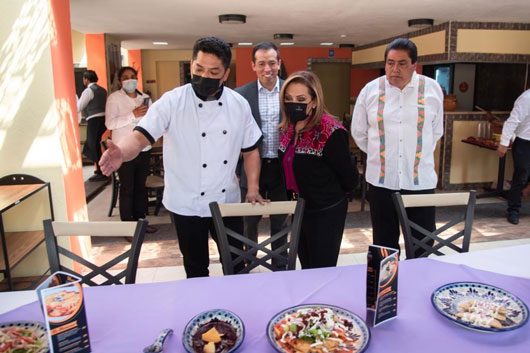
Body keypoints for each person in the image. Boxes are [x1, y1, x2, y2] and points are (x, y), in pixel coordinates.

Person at [99, 37, 264, 278]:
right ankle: (201, 313)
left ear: (225, 73)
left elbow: (250, 150)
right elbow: (140, 137)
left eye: (213, 71)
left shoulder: (238, 104)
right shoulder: (172, 101)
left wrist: (253, 187)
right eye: (199, 69)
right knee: (195, 268)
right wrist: (121, 153)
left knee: (236, 265)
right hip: (186, 201)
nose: (204, 76)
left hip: (226, 200)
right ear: (191, 65)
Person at [351, 38, 444, 257]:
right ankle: (387, 291)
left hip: (420, 182)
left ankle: (418, 288)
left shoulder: (431, 89)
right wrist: (382, 156)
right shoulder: (370, 91)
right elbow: (360, 133)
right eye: (390, 63)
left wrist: (416, 156)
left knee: (422, 245)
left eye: (402, 63)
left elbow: (435, 132)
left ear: (414, 65)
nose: (395, 69)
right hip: (382, 183)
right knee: (385, 247)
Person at [278, 71, 357, 269]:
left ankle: (324, 301)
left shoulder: (331, 132)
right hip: (300, 209)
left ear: (314, 100)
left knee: (322, 268)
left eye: (301, 99)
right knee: (306, 265)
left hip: (326, 211)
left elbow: (350, 178)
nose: (293, 103)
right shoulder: (287, 128)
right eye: (288, 99)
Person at [235, 42, 288, 267]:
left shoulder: (290, 90)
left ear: (279, 64)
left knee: (281, 219)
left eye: (272, 63)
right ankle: (249, 261)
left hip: (282, 167)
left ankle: (279, 264)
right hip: (250, 166)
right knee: (249, 220)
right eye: (262, 64)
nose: (268, 69)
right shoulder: (240, 95)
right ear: (253, 66)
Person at [105, 66, 157, 234]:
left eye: (133, 76)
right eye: (126, 77)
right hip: (123, 149)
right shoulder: (114, 98)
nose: (130, 80)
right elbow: (110, 124)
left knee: (141, 186)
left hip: (143, 147)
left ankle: (141, 222)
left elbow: (154, 120)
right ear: (120, 81)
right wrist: (132, 115)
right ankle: (128, 228)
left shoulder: (145, 97)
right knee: (128, 187)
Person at [497, 88, 530, 225]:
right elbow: (512, 121)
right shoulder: (526, 97)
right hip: (525, 142)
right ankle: (513, 210)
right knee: (521, 177)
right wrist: (504, 143)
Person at [77, 70, 108, 181]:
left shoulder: (88, 91)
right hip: (104, 119)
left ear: (86, 79)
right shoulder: (103, 90)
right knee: (93, 144)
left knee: (93, 145)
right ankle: (100, 169)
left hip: (94, 119)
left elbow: (79, 106)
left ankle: (101, 171)